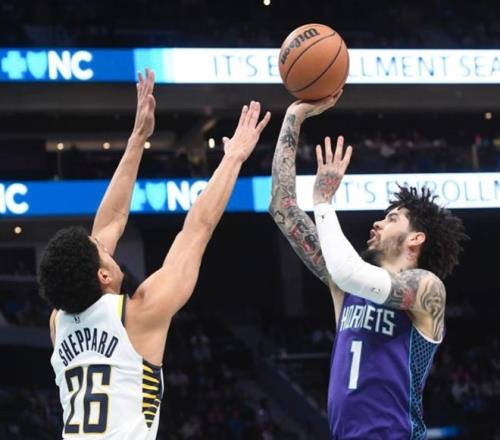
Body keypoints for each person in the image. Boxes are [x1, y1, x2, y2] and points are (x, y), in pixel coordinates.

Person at [39, 68, 271, 440]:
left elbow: (109, 222)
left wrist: (137, 139)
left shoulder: (59, 322)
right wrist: (233, 159)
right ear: (103, 276)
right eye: (102, 251)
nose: (106, 244)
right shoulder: (139, 314)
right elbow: (197, 229)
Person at [269, 93, 468, 439]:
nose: (377, 223)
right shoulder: (346, 286)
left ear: (416, 238)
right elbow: (282, 208)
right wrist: (293, 118)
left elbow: (349, 272)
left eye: (392, 219)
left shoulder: (426, 289)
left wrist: (323, 201)